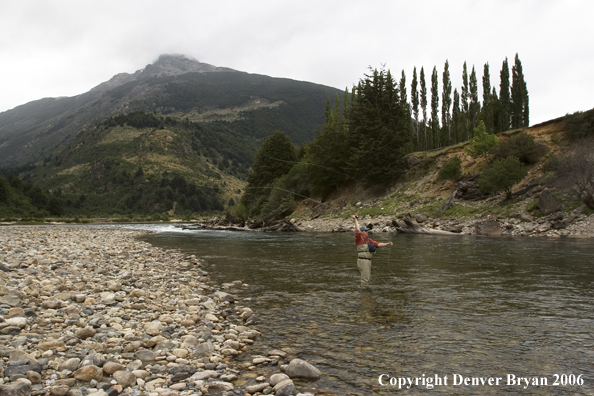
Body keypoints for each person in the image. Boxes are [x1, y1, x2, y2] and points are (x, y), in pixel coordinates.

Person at [351, 214, 393, 289]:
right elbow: (357, 230)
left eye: (367, 231)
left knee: (367, 277)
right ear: (362, 232)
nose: (367, 232)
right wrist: (355, 219)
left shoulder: (369, 240)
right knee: (365, 278)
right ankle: (364, 294)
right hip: (362, 260)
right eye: (366, 231)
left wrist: (387, 244)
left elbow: (378, 244)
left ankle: (364, 291)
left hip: (368, 261)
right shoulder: (359, 239)